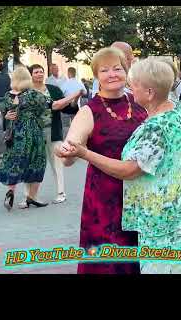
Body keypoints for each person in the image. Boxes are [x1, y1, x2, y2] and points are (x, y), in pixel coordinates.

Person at [59, 57, 181, 274]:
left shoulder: (155, 122)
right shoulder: (177, 109)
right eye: (104, 70)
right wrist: (67, 152)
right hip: (126, 205)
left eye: (121, 71)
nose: (128, 84)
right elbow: (67, 156)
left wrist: (85, 153)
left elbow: (129, 170)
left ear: (149, 92)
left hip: (159, 213)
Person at [55, 47, 147, 274]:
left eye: (117, 68)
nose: (112, 74)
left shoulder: (139, 101)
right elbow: (72, 148)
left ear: (126, 70)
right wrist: (68, 152)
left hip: (141, 193)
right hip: (105, 200)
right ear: (97, 76)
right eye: (104, 70)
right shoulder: (89, 111)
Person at [27, 64, 82, 206]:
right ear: (30, 75)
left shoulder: (53, 90)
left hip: (53, 131)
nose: (39, 74)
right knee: (31, 164)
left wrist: (75, 100)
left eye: (41, 72)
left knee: (57, 162)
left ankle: (61, 193)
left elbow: (68, 109)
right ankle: (29, 196)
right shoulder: (26, 92)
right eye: (36, 72)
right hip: (33, 133)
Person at [0, 66, 49, 210]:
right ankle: (31, 197)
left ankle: (10, 191)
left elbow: (5, 112)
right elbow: (44, 107)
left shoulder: (8, 95)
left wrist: (8, 115)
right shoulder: (34, 94)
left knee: (14, 162)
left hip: (16, 134)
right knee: (37, 162)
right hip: (33, 134)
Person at [0, 59, 11, 157]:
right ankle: (3, 150)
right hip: (4, 104)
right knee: (3, 127)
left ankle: (0, 151)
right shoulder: (7, 77)